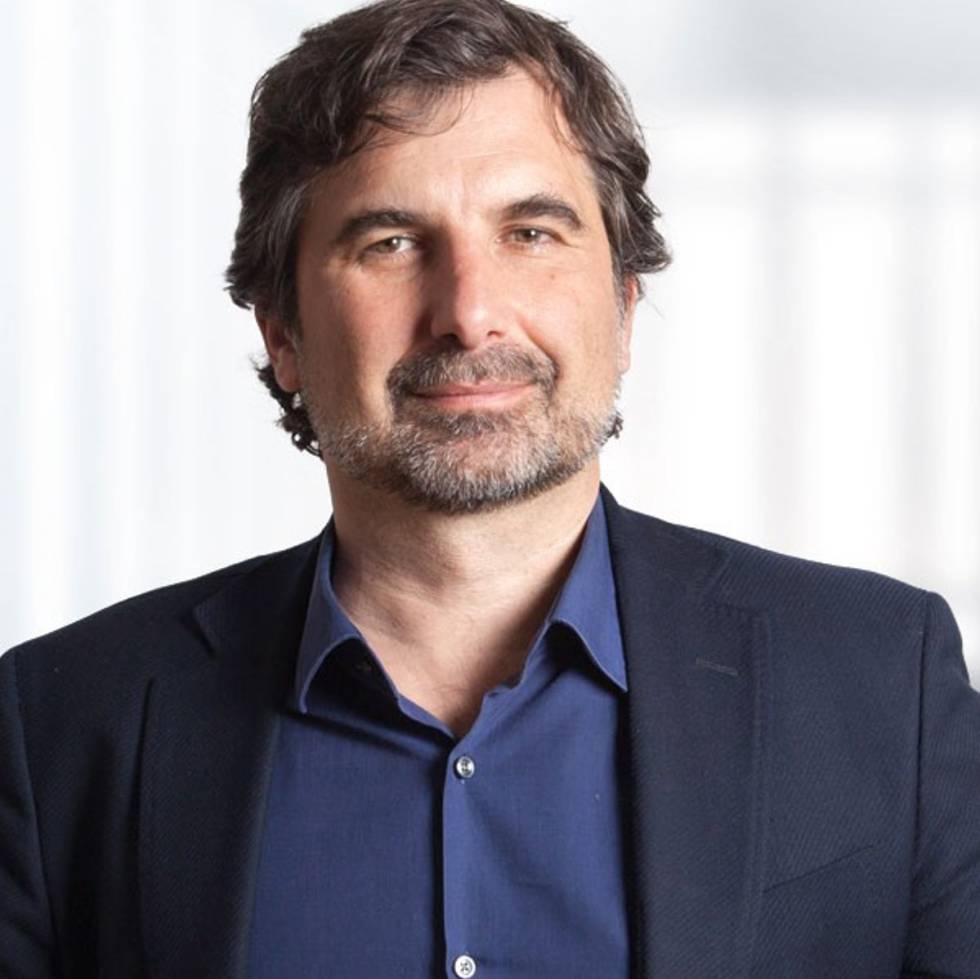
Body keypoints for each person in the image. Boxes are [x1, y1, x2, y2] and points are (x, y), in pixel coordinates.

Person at [2, 0, 978, 975]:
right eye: (390, 242)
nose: (469, 313)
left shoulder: (881, 682)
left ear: (623, 306)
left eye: (531, 233)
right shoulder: (61, 726)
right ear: (282, 332)